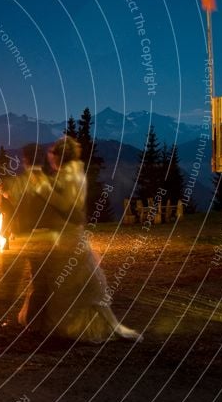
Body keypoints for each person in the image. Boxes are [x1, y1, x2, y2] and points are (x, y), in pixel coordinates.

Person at [35, 136, 142, 343]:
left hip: (67, 237)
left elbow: (67, 207)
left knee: (71, 282)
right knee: (78, 281)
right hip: (70, 235)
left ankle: (73, 327)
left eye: (53, 156)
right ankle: (84, 323)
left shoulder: (68, 177)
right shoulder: (74, 174)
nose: (51, 160)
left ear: (59, 157)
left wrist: (44, 190)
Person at [4, 143, 56, 325]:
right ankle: (44, 318)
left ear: (26, 160)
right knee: (46, 276)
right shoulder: (50, 180)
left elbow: (20, 209)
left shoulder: (22, 182)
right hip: (49, 235)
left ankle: (37, 321)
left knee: (39, 278)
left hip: (33, 236)